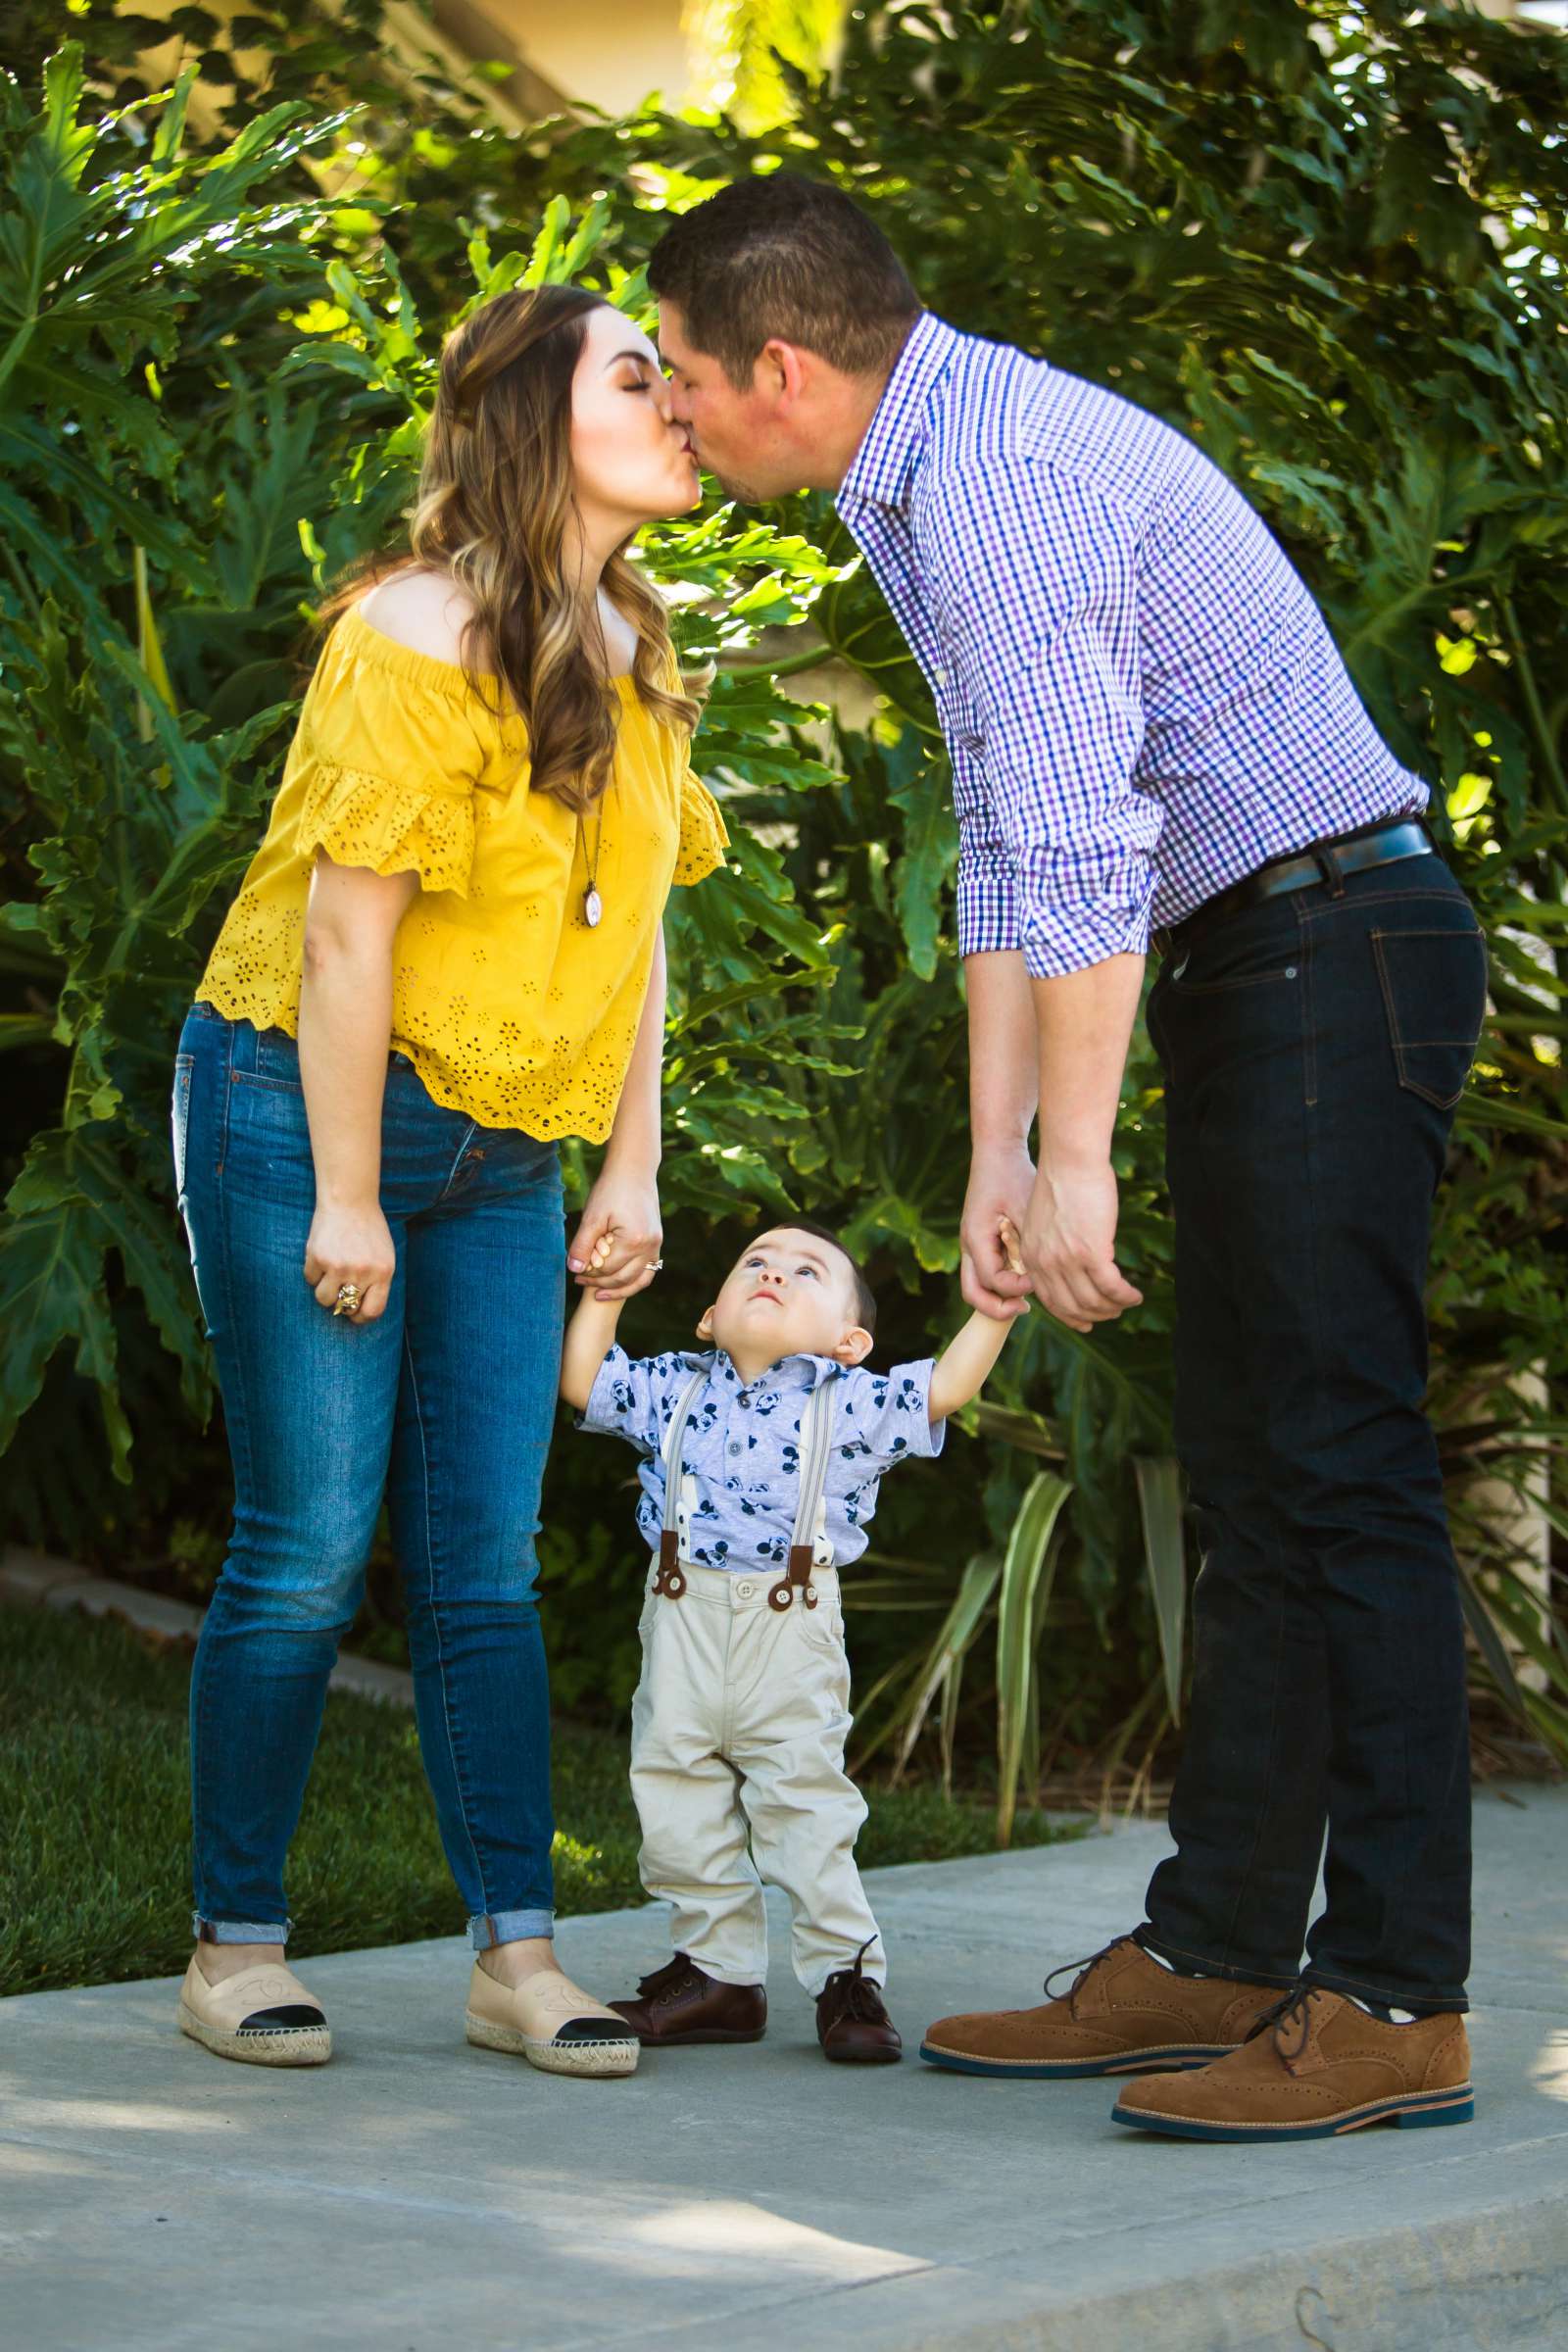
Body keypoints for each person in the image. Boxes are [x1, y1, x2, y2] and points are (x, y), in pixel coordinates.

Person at [646, 175, 1486, 2142]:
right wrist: (999, 1154)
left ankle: (1393, 1996)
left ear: (779, 367)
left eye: (681, 376)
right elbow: (1011, 848)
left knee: (1337, 1474)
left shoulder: (997, 485)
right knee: (1259, 1482)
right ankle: (1215, 1950)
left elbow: (1088, 850)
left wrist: (1078, 1156)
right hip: (1248, 952)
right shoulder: (928, 469)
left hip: (1322, 944)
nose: (672, 411)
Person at [170, 284, 728, 2079]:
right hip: (298, 1108)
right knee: (308, 1549)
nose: (683, 399)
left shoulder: (634, 646)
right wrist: (345, 1195)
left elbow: (634, 934)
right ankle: (233, 1940)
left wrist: (627, 1164)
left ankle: (518, 1955)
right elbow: (347, 938)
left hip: (507, 1155)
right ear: (530, 417)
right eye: (640, 374)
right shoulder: (413, 633)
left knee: (483, 1558)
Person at [560, 1219, 1021, 2064]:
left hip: (791, 1630)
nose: (774, 1274)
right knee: (675, 1799)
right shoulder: (673, 1386)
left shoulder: (847, 1402)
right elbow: (586, 1380)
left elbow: (943, 1390)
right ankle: (719, 1975)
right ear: (708, 1315)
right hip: (682, 1624)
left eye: (807, 1271)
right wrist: (606, 1294)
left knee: (806, 1806)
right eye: (755, 1264)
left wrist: (995, 1309)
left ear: (850, 1341)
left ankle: (847, 1977)